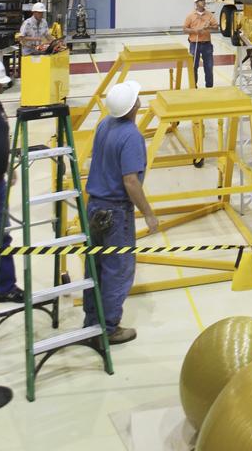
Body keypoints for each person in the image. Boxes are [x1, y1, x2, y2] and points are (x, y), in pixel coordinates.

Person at [82, 80, 158, 345]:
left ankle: (92, 320)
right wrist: (148, 213)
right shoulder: (132, 137)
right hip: (115, 212)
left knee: (96, 265)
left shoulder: (104, 124)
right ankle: (108, 329)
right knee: (118, 270)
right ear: (133, 106)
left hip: (94, 206)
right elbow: (131, 182)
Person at [0, 59, 23, 305]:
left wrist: (8, 165)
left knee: (1, 236)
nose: (0, 89)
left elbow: (3, 135)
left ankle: (4, 287)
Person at [182, 0, 219, 87]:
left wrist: (208, 27)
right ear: (196, 3)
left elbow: (216, 28)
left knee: (209, 67)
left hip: (207, 44)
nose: (203, 2)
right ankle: (194, 87)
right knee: (194, 67)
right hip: (194, 45)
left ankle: (209, 88)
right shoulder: (190, 16)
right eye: (201, 0)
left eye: (204, 0)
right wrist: (195, 31)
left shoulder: (209, 15)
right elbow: (185, 29)